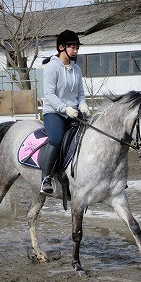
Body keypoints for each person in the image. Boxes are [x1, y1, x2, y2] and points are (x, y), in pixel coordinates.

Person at [41, 29, 90, 194]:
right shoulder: (51, 67)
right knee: (56, 138)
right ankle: (46, 178)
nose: (76, 50)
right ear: (61, 47)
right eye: (73, 47)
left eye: (77, 47)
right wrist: (65, 108)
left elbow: (80, 93)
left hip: (74, 112)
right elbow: (49, 94)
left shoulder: (76, 69)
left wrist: (82, 105)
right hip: (54, 113)